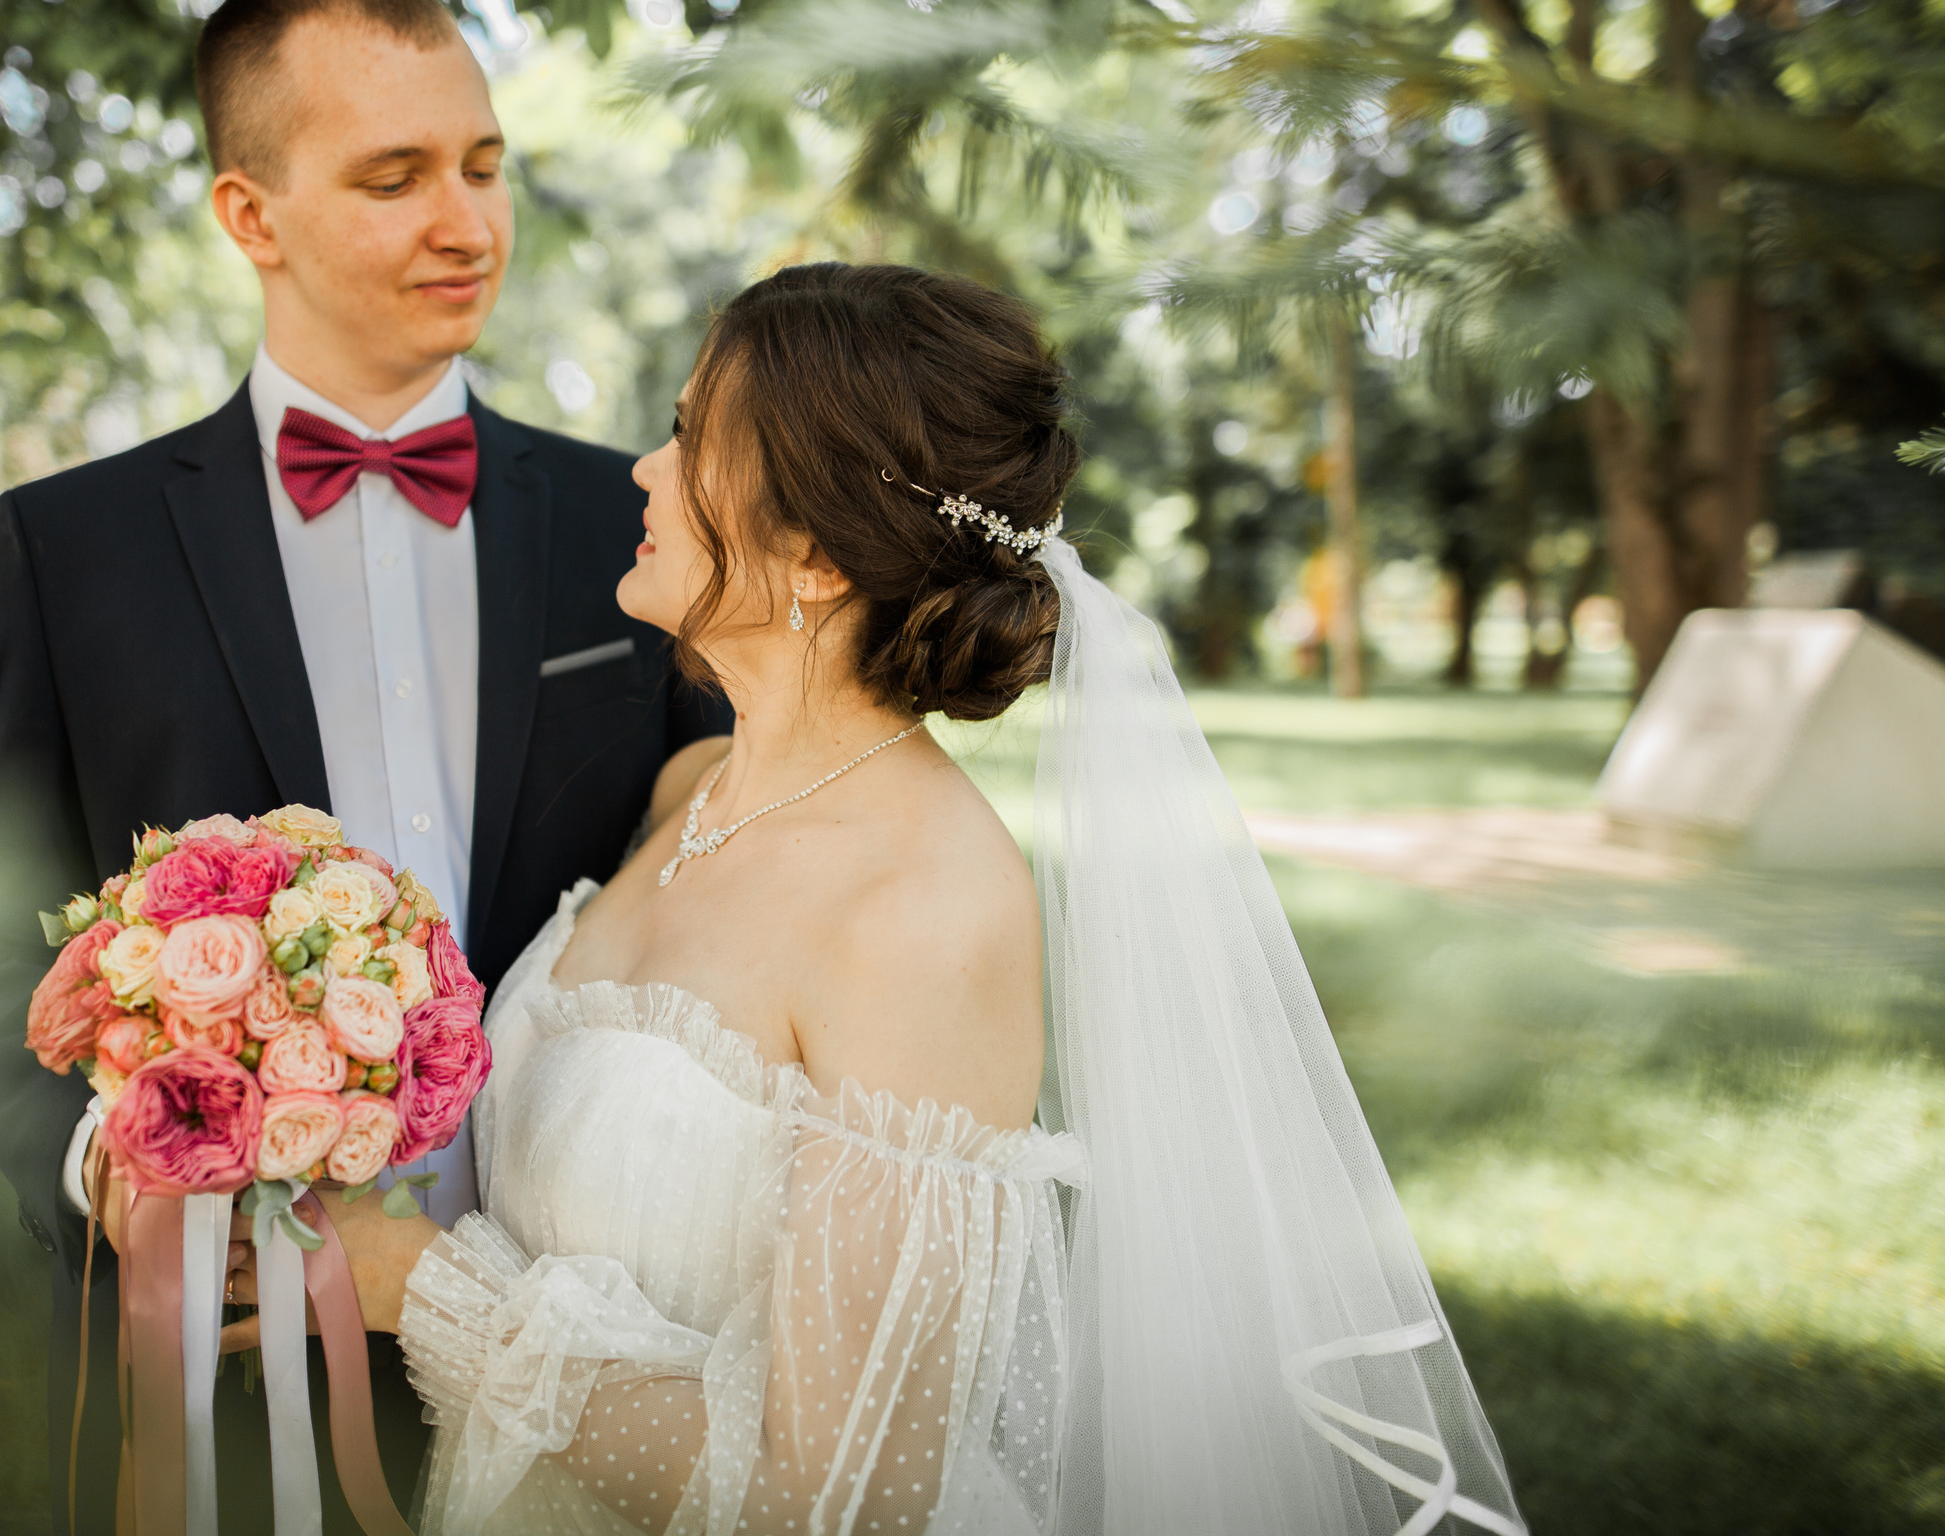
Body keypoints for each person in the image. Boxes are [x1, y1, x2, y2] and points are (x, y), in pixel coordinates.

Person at [266, 264, 1530, 1534]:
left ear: (815, 551)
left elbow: (843, 1496)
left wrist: (418, 1289)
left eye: (690, 437)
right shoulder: (689, 790)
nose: (644, 471)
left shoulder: (925, 911)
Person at [0, 0, 727, 1535]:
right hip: (224, 1371)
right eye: (394, 177)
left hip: (581, 1328)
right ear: (251, 214)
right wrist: (114, 1176)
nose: (467, 222)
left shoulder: (634, 525)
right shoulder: (69, 548)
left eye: (484, 165)